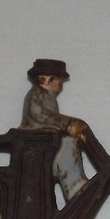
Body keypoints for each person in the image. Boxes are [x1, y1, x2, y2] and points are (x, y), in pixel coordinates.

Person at [19, 58, 90, 201]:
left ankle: (74, 180)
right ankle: (73, 185)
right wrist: (68, 123)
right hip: (34, 137)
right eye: (58, 81)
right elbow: (39, 114)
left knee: (70, 142)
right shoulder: (37, 94)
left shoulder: (46, 96)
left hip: (45, 137)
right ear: (44, 80)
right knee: (68, 144)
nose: (60, 85)